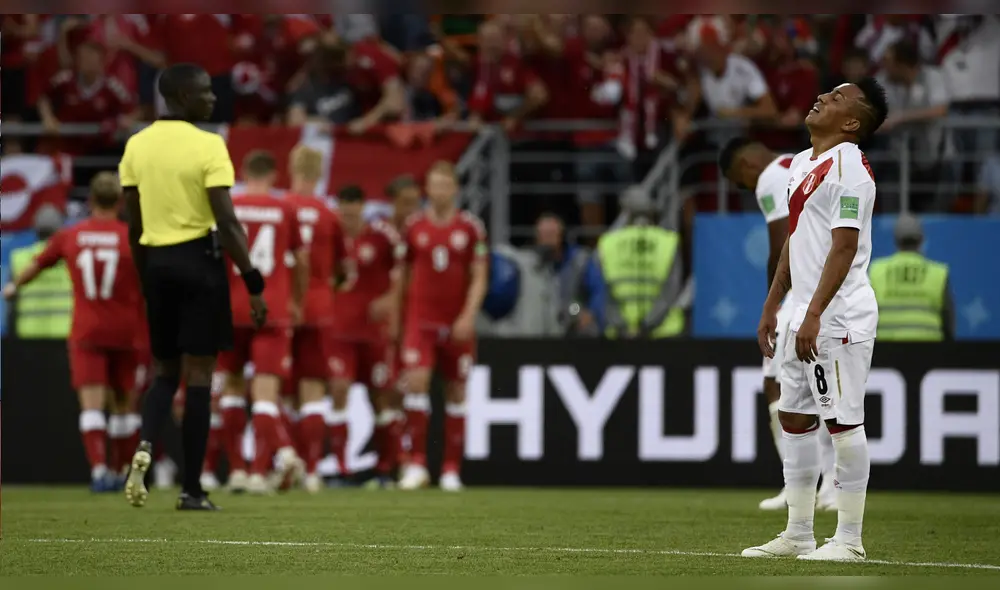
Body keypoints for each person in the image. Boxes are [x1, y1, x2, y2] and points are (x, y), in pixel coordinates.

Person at [745, 78, 888, 562]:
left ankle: (849, 539)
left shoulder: (852, 168)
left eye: (838, 97)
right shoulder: (803, 164)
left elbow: (844, 246)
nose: (823, 97)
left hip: (837, 315)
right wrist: (773, 303)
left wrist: (814, 313)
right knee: (794, 419)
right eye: (826, 92)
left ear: (851, 122)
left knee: (844, 423)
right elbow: (794, 239)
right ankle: (798, 534)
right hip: (800, 314)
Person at [118, 63, 268, 511]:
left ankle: (145, 442)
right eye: (204, 92)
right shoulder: (209, 145)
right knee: (199, 376)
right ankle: (193, 489)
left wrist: (147, 279)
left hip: (158, 263)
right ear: (181, 97)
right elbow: (226, 219)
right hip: (199, 262)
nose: (213, 98)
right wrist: (253, 281)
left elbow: (134, 224)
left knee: (165, 372)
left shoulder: (136, 145)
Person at [3, 173, 143, 492]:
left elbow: (39, 264)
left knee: (92, 405)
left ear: (91, 201)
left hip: (87, 331)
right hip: (126, 331)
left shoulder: (71, 235)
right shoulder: (131, 237)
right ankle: (123, 472)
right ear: (120, 202)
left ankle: (98, 471)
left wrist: (13, 286)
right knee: (124, 405)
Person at [719, 138, 836, 512]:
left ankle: (805, 485)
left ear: (748, 165)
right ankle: (823, 486)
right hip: (831, 285)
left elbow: (781, 239)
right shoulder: (799, 161)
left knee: (779, 384)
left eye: (743, 180)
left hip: (801, 291)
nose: (749, 187)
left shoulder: (771, 177)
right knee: (824, 384)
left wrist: (776, 297)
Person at [217, 150, 308, 495]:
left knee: (232, 390)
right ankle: (272, 463)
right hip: (271, 308)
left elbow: (216, 257)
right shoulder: (285, 209)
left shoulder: (229, 205)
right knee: (266, 395)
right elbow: (301, 259)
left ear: (242, 172)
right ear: (274, 175)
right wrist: (297, 301)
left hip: (232, 308)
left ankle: (238, 472)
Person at [397, 161, 488, 491]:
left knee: (456, 391)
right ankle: (417, 464)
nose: (438, 191)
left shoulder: (470, 228)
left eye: (444, 185)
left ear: (455, 189)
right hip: (420, 321)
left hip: (456, 323)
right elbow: (403, 277)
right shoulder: (413, 227)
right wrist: (400, 318)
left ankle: (451, 469)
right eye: (433, 185)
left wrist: (467, 315)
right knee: (417, 383)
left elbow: (479, 277)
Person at [329, 185, 404, 488]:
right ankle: (341, 468)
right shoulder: (330, 236)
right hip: (339, 331)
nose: (348, 216)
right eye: (343, 211)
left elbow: (404, 272)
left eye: (353, 210)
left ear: (362, 207)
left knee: (382, 398)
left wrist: (390, 300)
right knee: (338, 391)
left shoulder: (382, 235)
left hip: (374, 333)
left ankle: (387, 467)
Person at [282, 145, 346, 493]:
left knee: (277, 390)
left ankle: (283, 463)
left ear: (291, 167)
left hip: (284, 308)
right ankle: (312, 471)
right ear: (319, 173)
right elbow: (343, 270)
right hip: (319, 308)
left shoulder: (282, 208)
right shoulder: (328, 213)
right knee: (312, 392)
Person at [590, 187, 685, 339]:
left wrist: (622, 326)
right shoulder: (668, 242)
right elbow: (670, 291)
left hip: (620, 337)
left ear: (624, 212)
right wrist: (647, 324)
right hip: (663, 334)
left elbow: (604, 293)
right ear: (651, 211)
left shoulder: (608, 243)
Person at [869, 214, 954, 341]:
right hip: (930, 352)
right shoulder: (938, 272)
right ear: (921, 240)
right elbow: (948, 322)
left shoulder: (876, 270)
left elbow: (866, 316)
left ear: (896, 240)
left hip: (885, 352)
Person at [6, 206, 73, 339]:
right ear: (60, 229)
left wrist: (11, 335)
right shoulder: (71, 258)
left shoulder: (19, 258)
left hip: (28, 334)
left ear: (35, 229)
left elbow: (11, 302)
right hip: (64, 333)